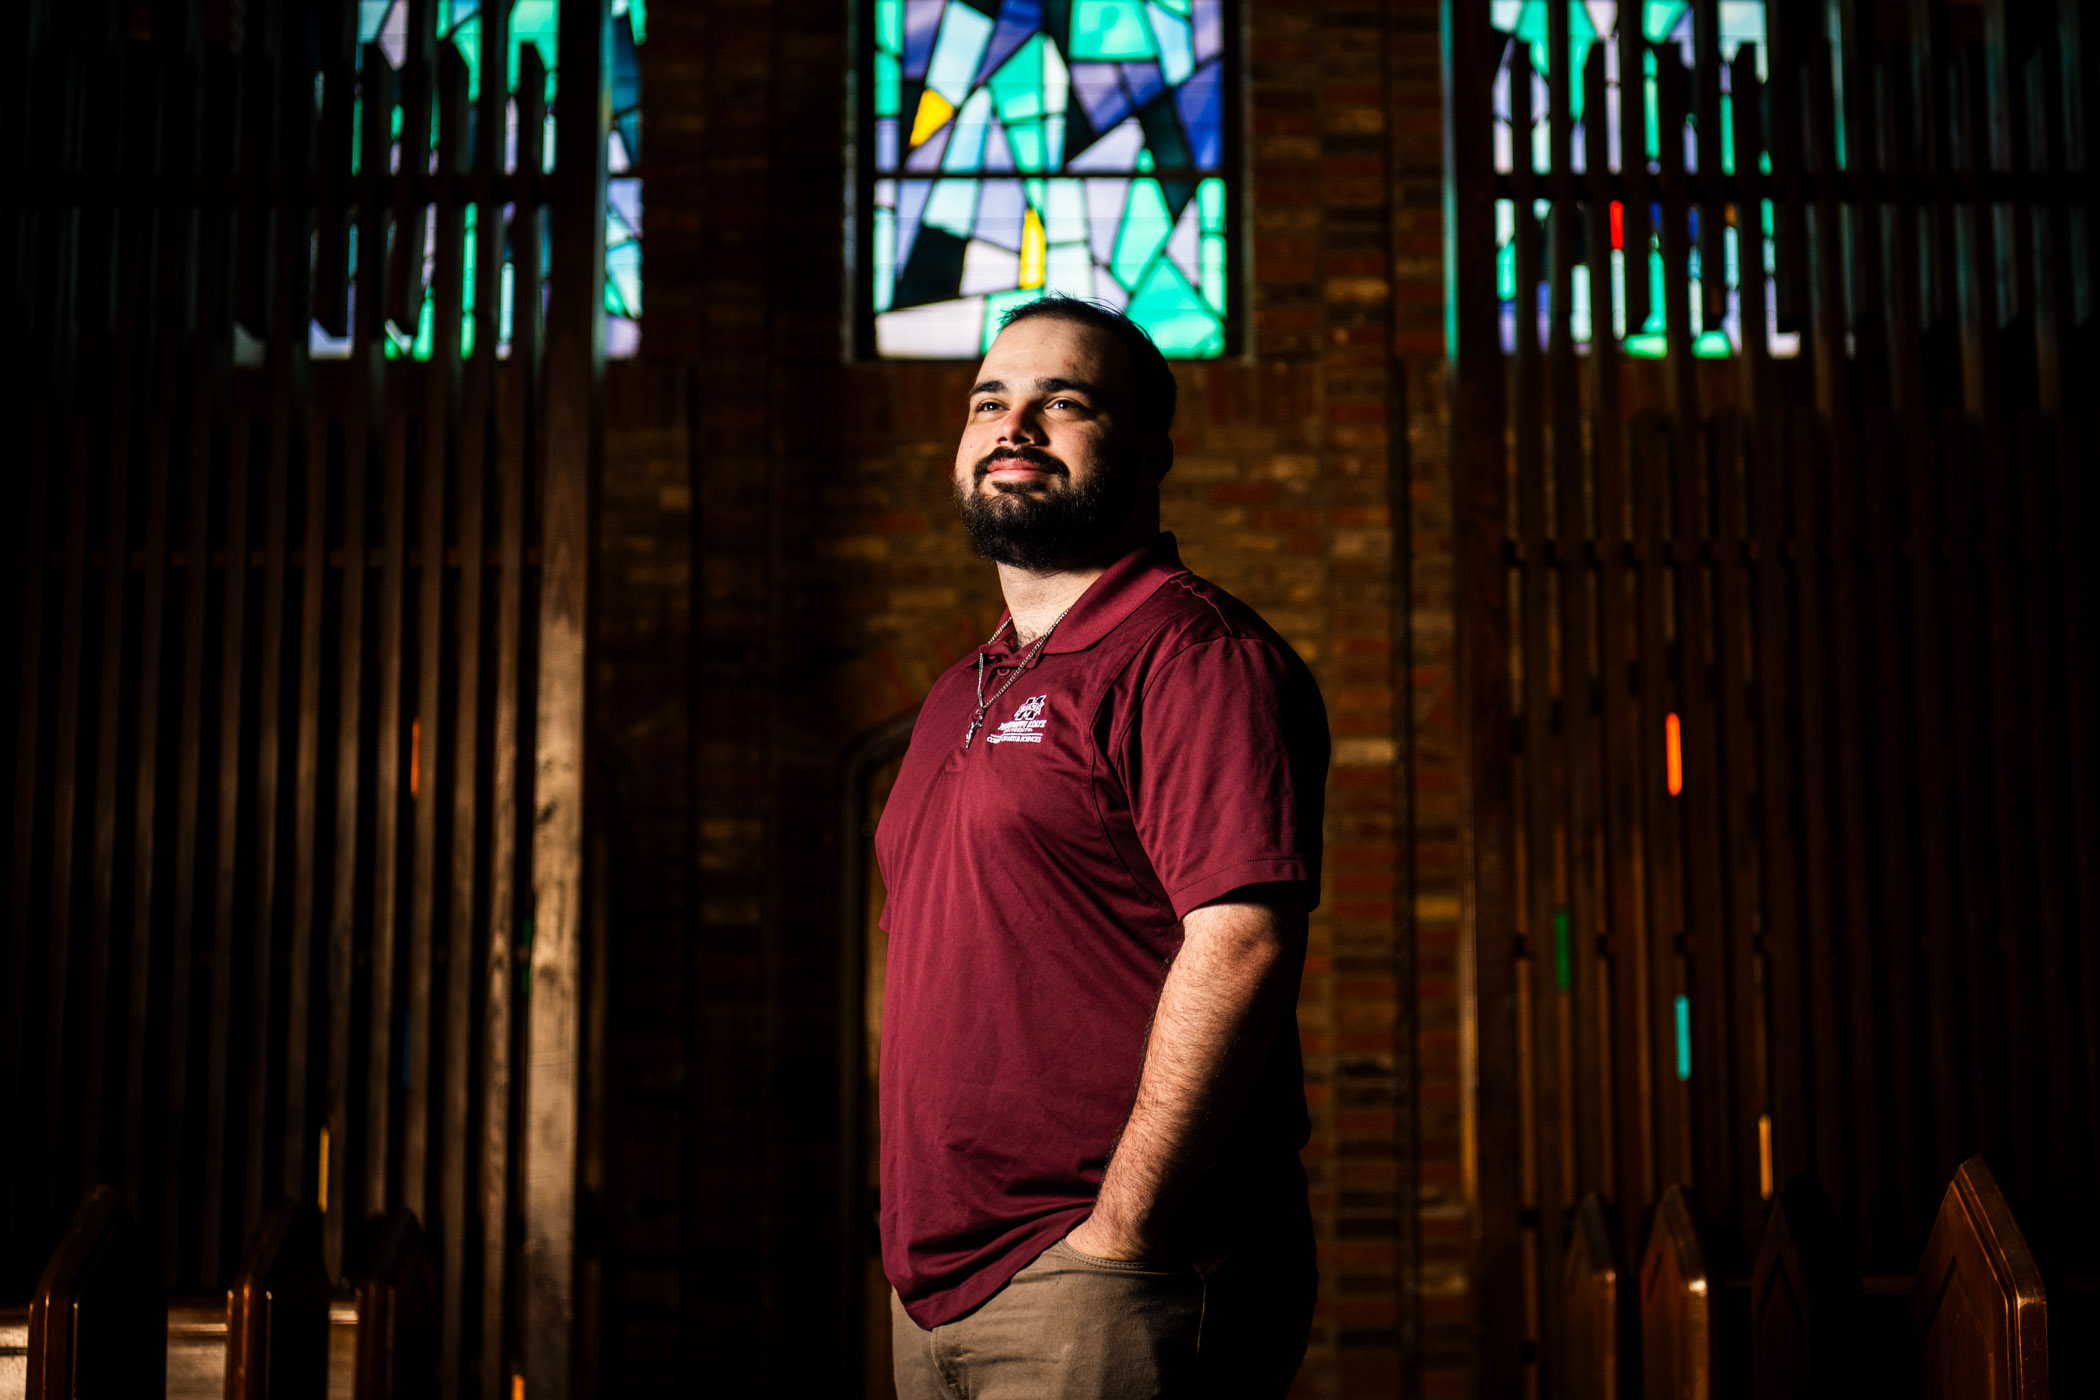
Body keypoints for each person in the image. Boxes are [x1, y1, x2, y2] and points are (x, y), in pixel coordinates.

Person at [874, 295, 1331, 1400]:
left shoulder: (1193, 655)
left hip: (1104, 1278)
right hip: (934, 1287)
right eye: (990, 400)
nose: (1012, 426)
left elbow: (1242, 942)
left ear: (1150, 449)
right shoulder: (958, 691)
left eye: (1061, 402)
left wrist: (1119, 1229)